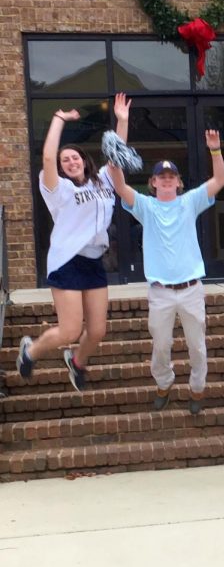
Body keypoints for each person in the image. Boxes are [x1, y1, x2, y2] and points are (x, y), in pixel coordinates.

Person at [17, 93, 131, 391]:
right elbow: (46, 157)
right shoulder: (58, 189)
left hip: (94, 261)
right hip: (68, 261)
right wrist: (59, 119)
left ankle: (77, 362)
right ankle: (30, 351)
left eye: (74, 157)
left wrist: (122, 120)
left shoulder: (104, 179)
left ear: (84, 160)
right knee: (69, 329)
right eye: (65, 160)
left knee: (96, 331)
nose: (70, 162)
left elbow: (117, 155)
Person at [107, 131, 224, 415]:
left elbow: (220, 180)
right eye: (161, 176)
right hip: (160, 291)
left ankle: (197, 389)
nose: (166, 179)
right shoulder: (146, 207)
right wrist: (116, 158)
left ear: (179, 182)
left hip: (191, 289)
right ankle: (164, 383)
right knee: (161, 346)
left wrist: (215, 150)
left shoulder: (189, 202)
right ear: (153, 182)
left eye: (171, 176)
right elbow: (121, 187)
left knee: (197, 347)